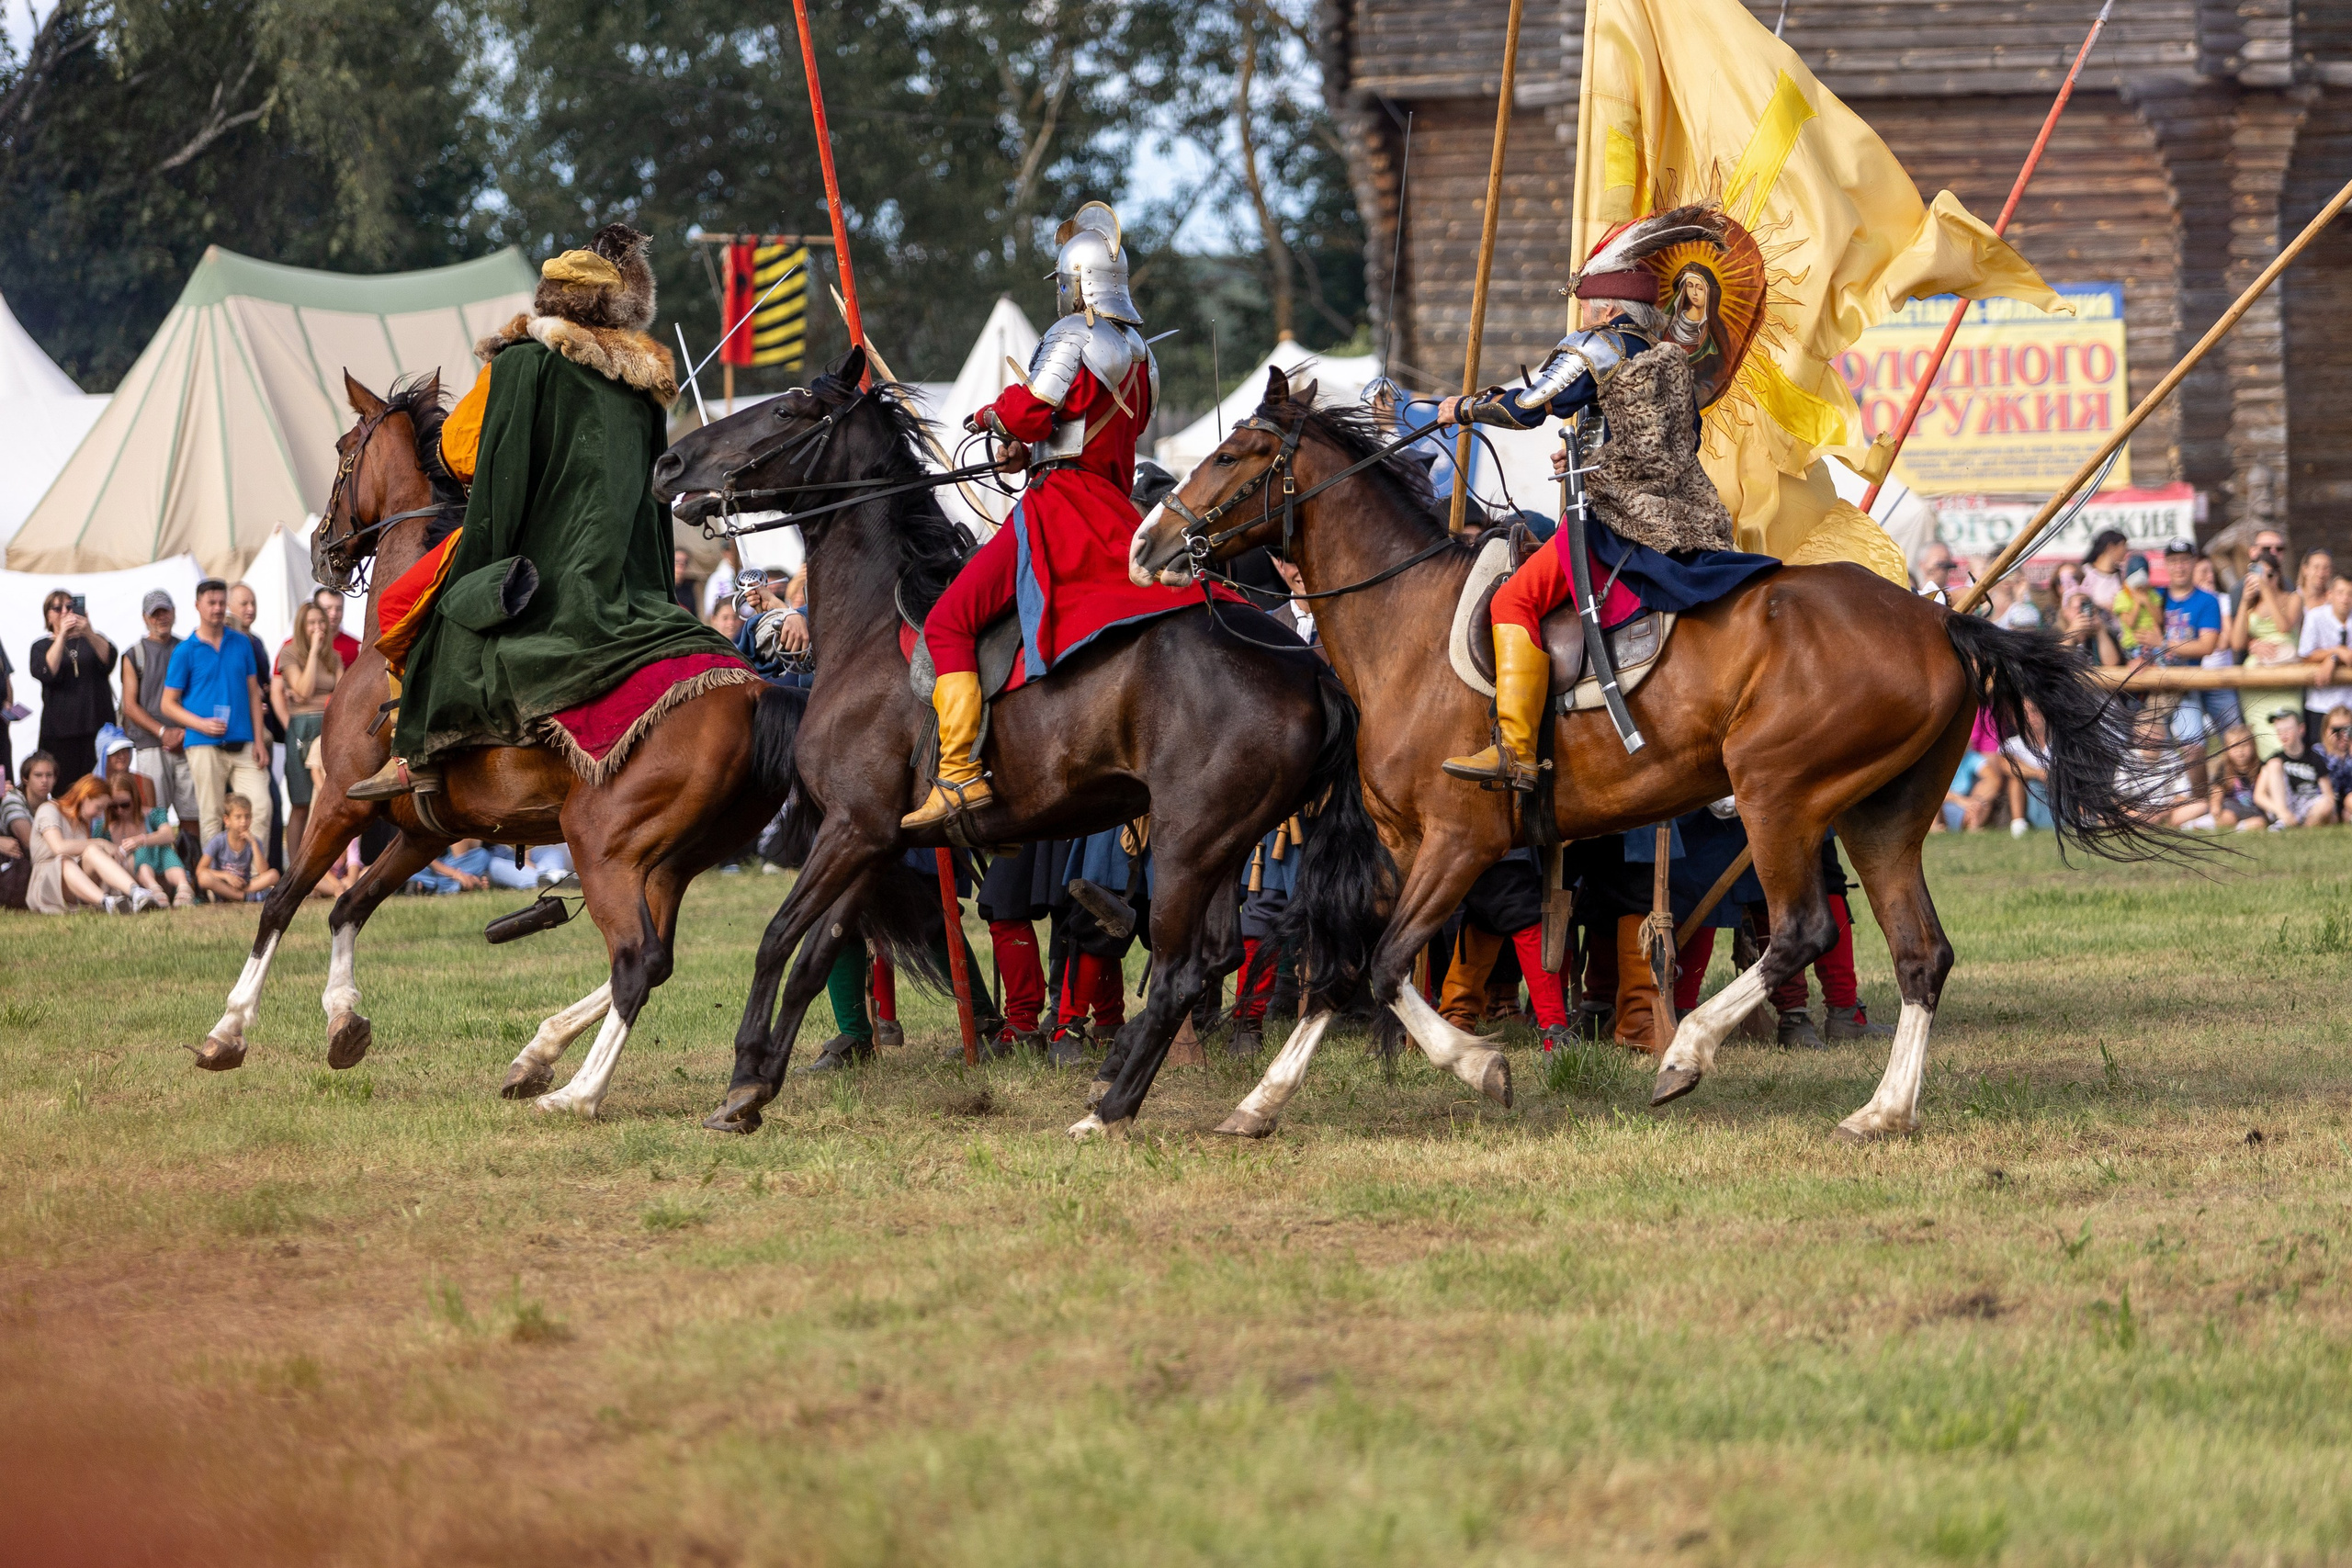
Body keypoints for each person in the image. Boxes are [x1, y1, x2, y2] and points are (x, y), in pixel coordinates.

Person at [351, 225, 748, 799]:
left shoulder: (519, 364)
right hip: (625, 573)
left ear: (548, 297)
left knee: (397, 603)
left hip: (540, 548)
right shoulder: (642, 385)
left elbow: (464, 456)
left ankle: (416, 751)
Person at [1431, 208, 1779, 789]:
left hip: (1612, 517)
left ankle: (1515, 751)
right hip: (1684, 518)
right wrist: (1588, 456)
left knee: (1510, 602)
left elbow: (1527, 407)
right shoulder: (1672, 362)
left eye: (1587, 305)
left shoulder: (1598, 346)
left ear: (1608, 308)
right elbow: (1667, 443)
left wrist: (1462, 407)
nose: (1584, 315)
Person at [907, 200, 1213, 830]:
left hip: (1060, 510)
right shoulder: (1143, 356)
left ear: (1079, 283)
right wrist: (1029, 449)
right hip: (1112, 507)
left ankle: (960, 773)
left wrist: (990, 418)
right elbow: (1084, 433)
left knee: (949, 623)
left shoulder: (1074, 336)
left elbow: (1030, 407)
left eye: (1065, 283)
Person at [161, 578, 271, 848]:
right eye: (211, 603)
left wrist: (259, 740)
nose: (218, 608)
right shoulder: (185, 651)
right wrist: (200, 724)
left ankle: (254, 882)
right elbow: (167, 704)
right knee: (210, 816)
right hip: (203, 744)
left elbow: (254, 694)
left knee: (261, 808)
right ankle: (216, 888)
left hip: (244, 742)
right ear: (198, 606)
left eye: (222, 602)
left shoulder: (242, 643)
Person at [117, 588, 199, 829]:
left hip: (187, 741)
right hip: (150, 744)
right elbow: (130, 706)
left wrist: (183, 731)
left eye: (165, 612)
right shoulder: (135, 655)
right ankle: (158, 866)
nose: (161, 618)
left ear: (174, 613)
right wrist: (164, 731)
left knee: (193, 815)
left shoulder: (188, 649)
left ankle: (192, 865)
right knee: (154, 815)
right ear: (145, 618)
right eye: (155, 614)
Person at [32, 770, 159, 913]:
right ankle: (106, 901)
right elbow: (58, 847)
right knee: (66, 860)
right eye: (98, 808)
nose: (99, 815)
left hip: (77, 882)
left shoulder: (81, 824)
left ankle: (136, 893)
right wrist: (100, 842)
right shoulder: (49, 810)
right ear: (85, 797)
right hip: (48, 881)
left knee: (92, 851)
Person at [274, 600, 343, 862]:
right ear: (302, 626)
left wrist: (310, 693)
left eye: (321, 623)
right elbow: (302, 689)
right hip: (302, 727)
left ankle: (325, 862)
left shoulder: (334, 656)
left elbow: (340, 693)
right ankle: (294, 864)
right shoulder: (290, 654)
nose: (317, 628)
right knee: (301, 802)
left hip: (329, 724)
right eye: (311, 623)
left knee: (328, 797)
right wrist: (313, 651)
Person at [28, 587, 117, 788]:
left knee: (98, 787)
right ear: (48, 616)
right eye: (57, 608)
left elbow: (109, 660)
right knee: (64, 789)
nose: (65, 612)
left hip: (95, 725)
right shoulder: (41, 646)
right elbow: (46, 672)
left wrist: (88, 631)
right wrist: (61, 636)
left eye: (70, 607)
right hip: (60, 732)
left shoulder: (93, 639)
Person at [2233, 552, 2308, 759]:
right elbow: (2237, 643)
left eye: (2270, 575)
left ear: (2279, 575)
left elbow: (2284, 627)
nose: (2265, 579)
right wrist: (2244, 603)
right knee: (2261, 738)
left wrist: (2266, 591)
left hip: (2286, 673)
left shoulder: (2293, 598)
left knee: (2287, 736)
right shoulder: (2251, 604)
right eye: (2258, 574)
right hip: (2256, 680)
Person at [106, 784, 193, 907]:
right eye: (113, 806)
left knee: (162, 847)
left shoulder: (152, 814)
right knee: (143, 850)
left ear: (135, 800)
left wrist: (140, 840)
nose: (119, 810)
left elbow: (169, 835)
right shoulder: (105, 827)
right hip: (130, 876)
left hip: (162, 874)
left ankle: (183, 886)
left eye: (125, 805)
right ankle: (156, 888)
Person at [2255, 707, 2336, 828]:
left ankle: (2303, 828)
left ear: (2301, 729)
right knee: (2274, 764)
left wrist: (2329, 811)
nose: (2283, 734)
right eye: (2279, 730)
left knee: (2326, 803)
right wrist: (2281, 812)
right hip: (2283, 805)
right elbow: (2259, 796)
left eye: (2288, 729)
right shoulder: (2274, 759)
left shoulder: (2314, 757)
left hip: (2308, 804)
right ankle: (2284, 821)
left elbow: (2328, 794)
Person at [2296, 573, 2352, 741]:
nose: (2345, 598)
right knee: (2320, 755)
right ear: (2330, 595)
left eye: (2350, 594)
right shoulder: (2315, 616)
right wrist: (2335, 653)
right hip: (2320, 704)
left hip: (2349, 704)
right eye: (2341, 593)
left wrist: (2334, 657)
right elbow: (2304, 654)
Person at [197, 792, 280, 901]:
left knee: (274, 875)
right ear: (227, 820)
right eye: (238, 817)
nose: (243, 822)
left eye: (247, 816)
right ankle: (244, 897)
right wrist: (226, 876)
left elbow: (263, 871)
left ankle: (243, 896)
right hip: (223, 885)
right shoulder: (219, 841)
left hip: (243, 885)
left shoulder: (253, 841)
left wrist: (254, 844)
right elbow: (200, 870)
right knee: (204, 878)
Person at [406, 837, 491, 893]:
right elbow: (425, 858)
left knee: (482, 855)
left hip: (452, 864)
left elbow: (464, 854)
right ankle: (461, 884)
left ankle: (430, 887)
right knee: (411, 865)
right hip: (427, 866)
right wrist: (457, 875)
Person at [2077, 527, 2129, 612]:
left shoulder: (2123, 574)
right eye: (2122, 546)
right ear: (2110, 547)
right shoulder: (2085, 572)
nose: (2125, 550)